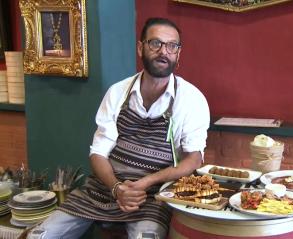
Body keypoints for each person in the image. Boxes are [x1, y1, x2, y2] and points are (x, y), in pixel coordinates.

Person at [29, 17, 210, 239]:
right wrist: (116, 188)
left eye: (172, 46)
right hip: (103, 188)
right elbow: (98, 153)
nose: (164, 51)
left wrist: (147, 182)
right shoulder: (117, 92)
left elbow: (194, 160)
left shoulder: (191, 99)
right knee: (39, 235)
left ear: (178, 53)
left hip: (153, 195)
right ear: (140, 47)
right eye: (155, 43)